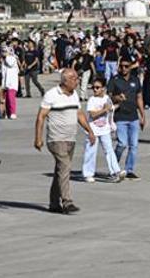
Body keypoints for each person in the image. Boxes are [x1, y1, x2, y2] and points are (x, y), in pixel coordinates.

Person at [34, 69, 95, 214]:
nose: (77, 80)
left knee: (60, 171)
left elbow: (79, 114)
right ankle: (67, 202)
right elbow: (41, 116)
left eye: (77, 78)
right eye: (74, 78)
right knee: (65, 167)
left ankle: (54, 203)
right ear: (65, 80)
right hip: (56, 139)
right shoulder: (51, 95)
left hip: (70, 139)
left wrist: (89, 130)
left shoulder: (74, 95)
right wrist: (38, 138)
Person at [82, 77, 125, 183]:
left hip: (104, 129)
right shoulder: (92, 100)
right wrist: (104, 109)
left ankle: (115, 171)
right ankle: (88, 174)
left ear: (103, 88)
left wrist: (118, 103)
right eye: (93, 87)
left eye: (97, 87)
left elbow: (111, 110)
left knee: (109, 150)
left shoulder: (106, 98)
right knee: (90, 152)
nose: (95, 89)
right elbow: (92, 114)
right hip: (93, 130)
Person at [110, 58, 145, 180]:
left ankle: (129, 170)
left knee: (134, 145)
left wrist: (142, 115)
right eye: (122, 66)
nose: (124, 69)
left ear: (130, 67)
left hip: (133, 117)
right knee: (122, 144)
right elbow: (108, 97)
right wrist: (117, 98)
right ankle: (114, 166)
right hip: (120, 117)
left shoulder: (135, 80)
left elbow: (139, 97)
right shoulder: (115, 80)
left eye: (126, 66)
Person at [1, 47, 19, 120]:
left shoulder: (12, 58)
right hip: (5, 82)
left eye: (5, 51)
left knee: (10, 98)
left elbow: (10, 64)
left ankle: (13, 113)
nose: (3, 52)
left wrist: (7, 56)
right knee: (5, 99)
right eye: (3, 51)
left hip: (11, 82)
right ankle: (6, 113)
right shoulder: (4, 59)